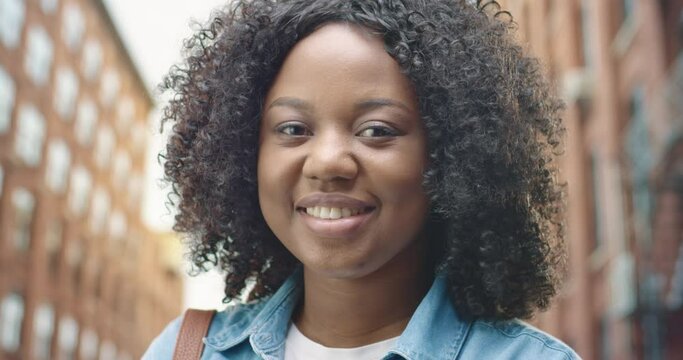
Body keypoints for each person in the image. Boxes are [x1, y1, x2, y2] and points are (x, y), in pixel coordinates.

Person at [144, 0, 579, 359]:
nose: (328, 162)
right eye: (294, 129)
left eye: (377, 130)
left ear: (450, 156)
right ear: (244, 154)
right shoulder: (184, 352)